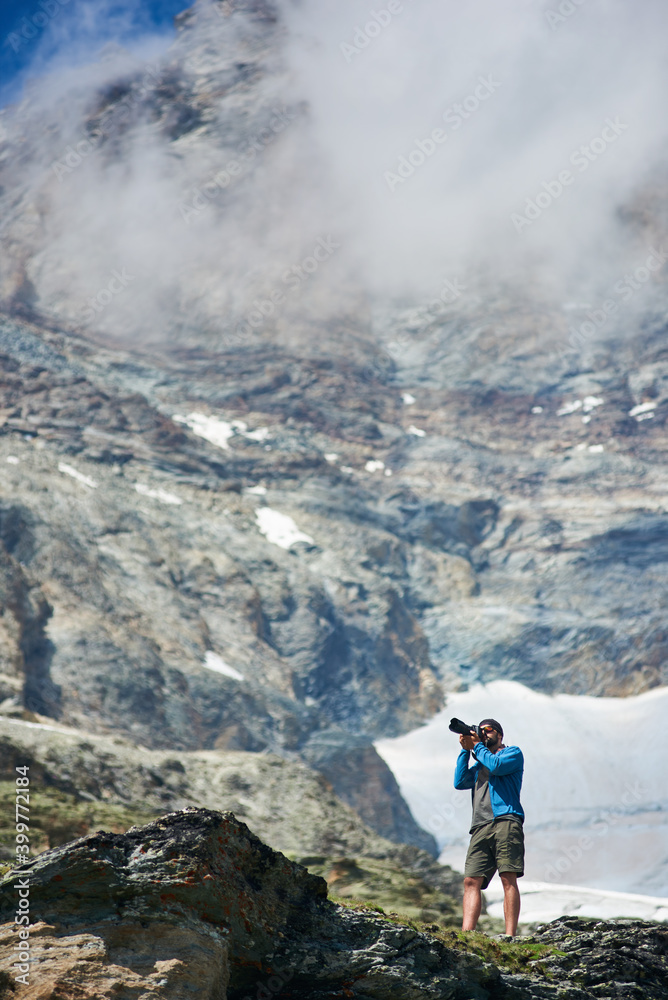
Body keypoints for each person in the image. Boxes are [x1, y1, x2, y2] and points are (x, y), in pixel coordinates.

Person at [453, 717, 524, 937]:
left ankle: (510, 936)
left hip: (506, 820)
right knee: (471, 880)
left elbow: (497, 766)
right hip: (480, 825)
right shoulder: (479, 762)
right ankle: (467, 935)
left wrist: (477, 746)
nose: (484, 733)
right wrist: (466, 750)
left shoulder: (511, 753)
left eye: (488, 730)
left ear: (500, 735)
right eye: (480, 731)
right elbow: (460, 781)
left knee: (507, 876)